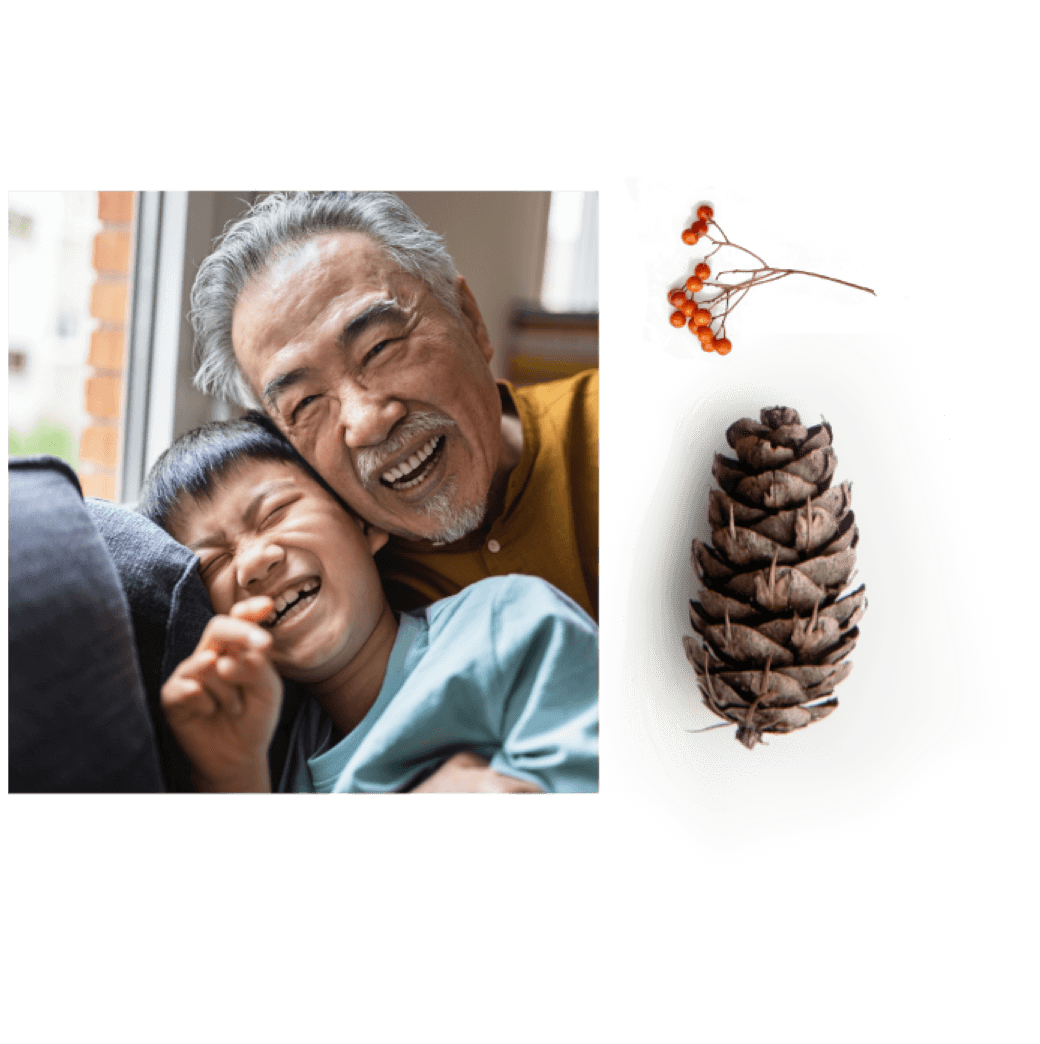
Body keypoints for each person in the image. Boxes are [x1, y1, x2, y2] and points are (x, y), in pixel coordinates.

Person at [189, 190, 599, 623]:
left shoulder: (654, 431)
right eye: (306, 402)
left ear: (469, 318)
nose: (366, 423)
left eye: (380, 347)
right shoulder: (329, 602)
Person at [137, 417, 599, 794]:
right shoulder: (271, 761)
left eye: (275, 512)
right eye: (214, 562)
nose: (254, 563)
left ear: (366, 520)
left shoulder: (507, 624)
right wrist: (231, 777)